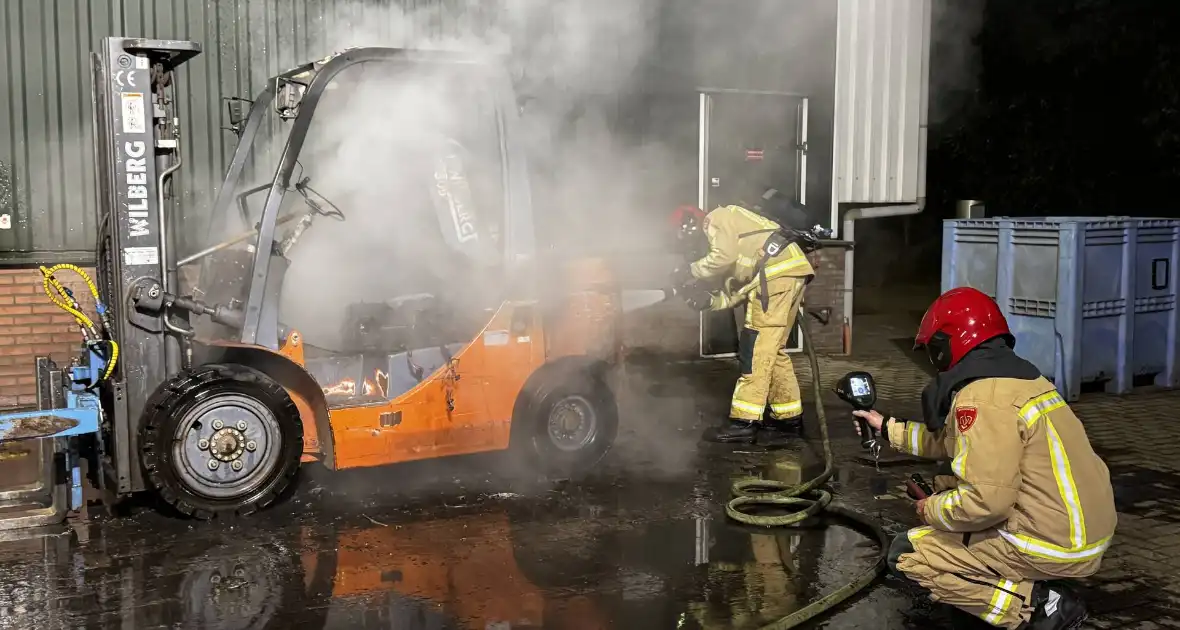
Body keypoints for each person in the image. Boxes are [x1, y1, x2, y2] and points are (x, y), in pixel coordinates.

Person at [852, 287, 1115, 630]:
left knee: (908, 553)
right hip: (1080, 530)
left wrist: (930, 509)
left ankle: (1038, 606)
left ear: (947, 346)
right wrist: (886, 427)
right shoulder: (1023, 380)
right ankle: (1034, 586)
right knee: (947, 488)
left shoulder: (982, 398)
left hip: (1049, 543)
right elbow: (950, 442)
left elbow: (987, 503)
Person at [673, 199, 815, 445]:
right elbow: (736, 290)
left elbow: (721, 257)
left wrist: (690, 270)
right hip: (789, 273)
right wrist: (709, 302)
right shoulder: (736, 236)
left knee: (756, 350)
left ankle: (744, 422)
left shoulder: (715, 219)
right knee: (774, 351)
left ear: (691, 225)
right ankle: (788, 418)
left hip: (775, 278)